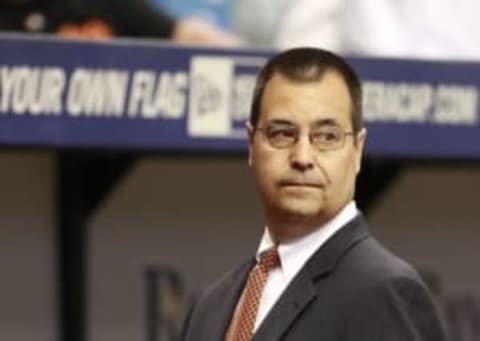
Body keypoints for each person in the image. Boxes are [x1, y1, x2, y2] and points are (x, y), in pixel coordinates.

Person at [180, 47, 447, 340]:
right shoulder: (210, 306)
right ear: (251, 144)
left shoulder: (385, 292)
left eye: (326, 137)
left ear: (357, 150)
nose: (303, 157)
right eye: (282, 133)